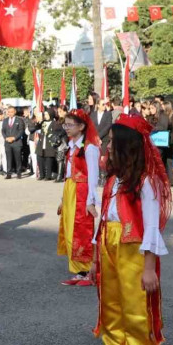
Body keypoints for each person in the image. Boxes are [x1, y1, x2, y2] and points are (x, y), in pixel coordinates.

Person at [90, 114, 171, 345]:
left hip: (134, 251)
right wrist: (94, 260)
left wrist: (149, 268)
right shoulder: (114, 180)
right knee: (113, 310)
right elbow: (102, 220)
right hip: (109, 247)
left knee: (136, 311)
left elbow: (151, 226)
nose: (108, 146)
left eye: (113, 141)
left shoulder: (145, 182)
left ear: (127, 145)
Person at [58, 109, 101, 287]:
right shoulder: (71, 146)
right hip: (70, 189)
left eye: (70, 125)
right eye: (65, 124)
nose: (66, 128)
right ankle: (78, 269)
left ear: (82, 126)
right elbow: (68, 175)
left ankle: (86, 270)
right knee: (69, 229)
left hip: (82, 191)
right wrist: (62, 199)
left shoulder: (89, 148)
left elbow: (93, 176)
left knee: (81, 230)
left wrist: (91, 201)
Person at [1, 106, 26, 179]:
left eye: (11, 112)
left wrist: (14, 138)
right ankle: (9, 173)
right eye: (8, 112)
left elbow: (21, 131)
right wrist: (6, 138)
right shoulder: (5, 120)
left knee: (18, 158)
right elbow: (3, 131)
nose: (10, 113)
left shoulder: (19, 120)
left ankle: (19, 173)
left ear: (14, 112)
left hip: (17, 142)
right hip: (7, 142)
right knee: (8, 158)